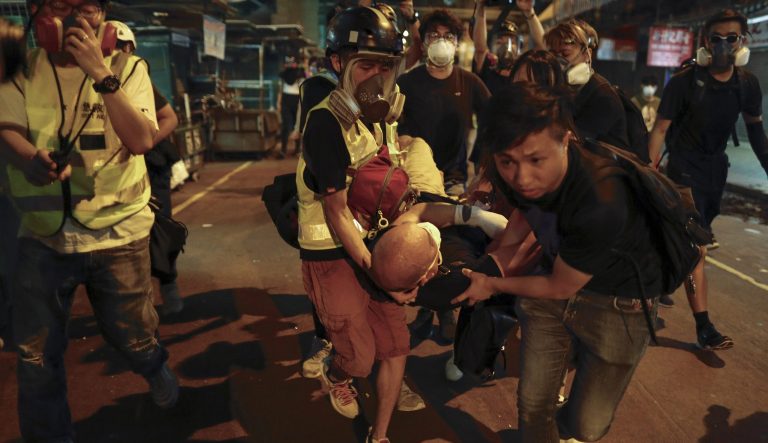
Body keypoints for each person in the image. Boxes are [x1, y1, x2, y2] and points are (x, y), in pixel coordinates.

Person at [0, 1, 178, 441]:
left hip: (119, 233)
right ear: (38, 12)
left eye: (86, 6)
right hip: (41, 235)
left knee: (132, 337)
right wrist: (28, 160)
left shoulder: (128, 66)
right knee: (36, 358)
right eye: (60, 5)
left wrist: (101, 73)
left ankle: (153, 366)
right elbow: (6, 128)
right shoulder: (18, 66)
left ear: (103, 15)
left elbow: (140, 140)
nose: (74, 17)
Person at [455, 83, 663, 442]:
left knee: (586, 425)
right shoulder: (510, 168)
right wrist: (493, 260)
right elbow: (523, 215)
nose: (522, 178)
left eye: (536, 160)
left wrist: (491, 283)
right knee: (534, 404)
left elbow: (561, 285)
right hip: (549, 293)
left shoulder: (602, 198)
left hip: (618, 305)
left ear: (566, 140)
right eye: (507, 162)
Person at [297, 6, 415, 441]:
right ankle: (335, 369)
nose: (375, 79)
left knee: (397, 347)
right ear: (337, 64)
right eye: (365, 65)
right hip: (331, 252)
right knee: (360, 359)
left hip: (373, 244)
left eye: (384, 67)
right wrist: (381, 270)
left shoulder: (383, 119)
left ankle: (379, 436)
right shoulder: (325, 122)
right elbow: (337, 212)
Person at [648, 9, 766, 350]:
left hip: (717, 172)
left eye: (732, 38)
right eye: (716, 38)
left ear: (743, 42)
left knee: (687, 245)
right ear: (705, 43)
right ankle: (704, 327)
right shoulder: (684, 82)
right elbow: (660, 130)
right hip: (682, 172)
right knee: (696, 248)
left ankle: (656, 277)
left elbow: (757, 134)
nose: (724, 45)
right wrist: (648, 171)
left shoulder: (747, 85)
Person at [110, 20, 184, 315]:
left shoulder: (136, 77)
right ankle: (138, 301)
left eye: (118, 47)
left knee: (159, 228)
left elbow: (170, 118)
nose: (114, 53)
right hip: (117, 169)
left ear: (129, 49)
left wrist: (146, 141)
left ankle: (169, 289)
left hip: (151, 167)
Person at [398, 8, 491, 198]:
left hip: (454, 179)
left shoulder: (469, 82)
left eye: (449, 36)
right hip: (415, 175)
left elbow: (494, 119)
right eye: (433, 35)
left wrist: (482, 165)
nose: (441, 41)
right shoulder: (407, 82)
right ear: (423, 44)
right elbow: (390, 121)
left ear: (457, 44)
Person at [545, 20, 630, 151]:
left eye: (565, 54)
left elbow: (572, 144)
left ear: (586, 54)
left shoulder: (603, 96)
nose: (558, 61)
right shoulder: (565, 90)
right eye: (553, 55)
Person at [471, 0, 545, 96]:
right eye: (499, 42)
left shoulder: (524, 69)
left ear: (519, 46)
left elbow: (543, 46)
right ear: (491, 45)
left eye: (512, 42)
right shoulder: (486, 67)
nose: (506, 46)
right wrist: (480, 7)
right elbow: (480, 48)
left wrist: (529, 11)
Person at [277, 56, 304, 158]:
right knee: (285, 125)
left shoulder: (300, 73)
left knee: (296, 125)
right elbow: (280, 89)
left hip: (297, 100)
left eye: (292, 63)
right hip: (286, 99)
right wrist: (278, 103)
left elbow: (302, 88)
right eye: (288, 63)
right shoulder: (283, 74)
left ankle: (297, 150)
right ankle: (283, 150)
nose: (290, 65)